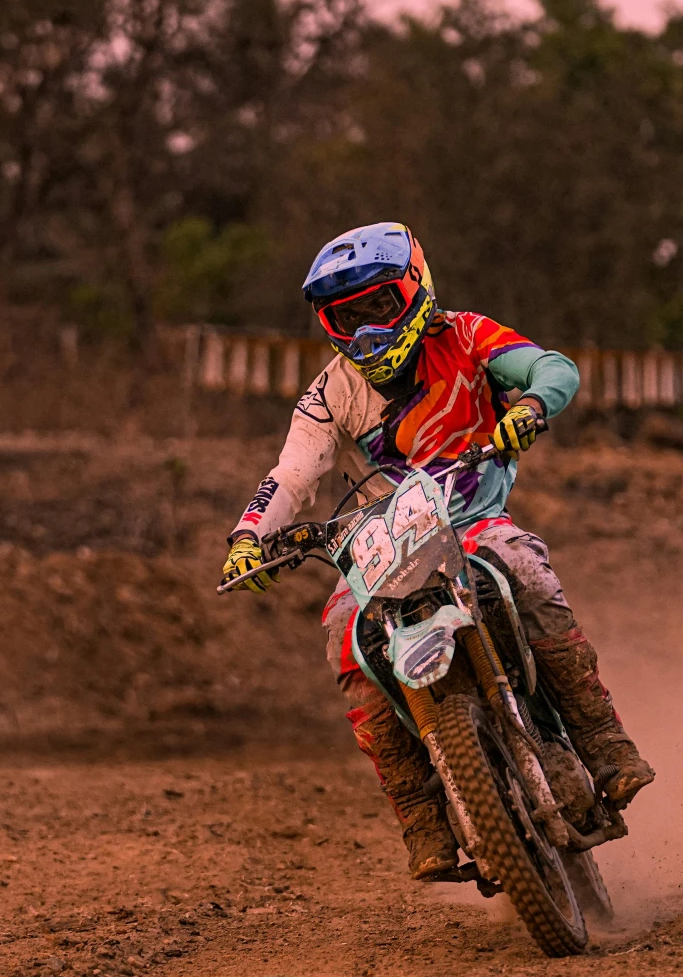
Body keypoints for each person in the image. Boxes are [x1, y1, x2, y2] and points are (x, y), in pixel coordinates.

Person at [222, 223, 653, 880]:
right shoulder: (328, 393)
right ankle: (423, 816)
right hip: (379, 549)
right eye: (348, 318)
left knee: (526, 573)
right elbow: (292, 475)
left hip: (474, 522)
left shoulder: (467, 336)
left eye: (379, 308)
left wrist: (532, 406)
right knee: (342, 629)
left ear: (416, 291)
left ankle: (605, 743)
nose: (366, 333)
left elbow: (552, 366)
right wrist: (250, 536)